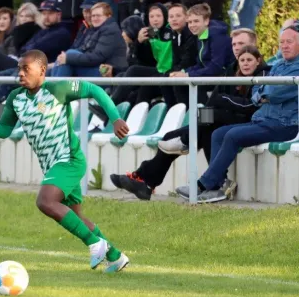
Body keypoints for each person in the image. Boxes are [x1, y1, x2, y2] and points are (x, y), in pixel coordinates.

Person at [0, 49, 131, 272]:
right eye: (19, 69)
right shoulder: (16, 98)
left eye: (27, 69)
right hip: (52, 165)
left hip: (69, 160)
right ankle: (115, 257)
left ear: (42, 70)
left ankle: (95, 244)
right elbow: (5, 129)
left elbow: (94, 89)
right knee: (76, 217)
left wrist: (116, 118)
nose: (21, 74)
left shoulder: (57, 89)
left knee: (45, 202)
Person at [111, 45, 269, 200]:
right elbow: (212, 100)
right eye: (242, 59)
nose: (245, 63)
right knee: (172, 135)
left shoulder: (264, 75)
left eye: (249, 59)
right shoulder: (231, 71)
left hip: (247, 122)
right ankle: (145, 181)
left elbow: (250, 106)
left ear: (258, 60)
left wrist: (224, 100)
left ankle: (148, 176)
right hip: (221, 120)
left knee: (210, 120)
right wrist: (222, 103)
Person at [176, 23, 299, 203]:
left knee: (224, 128)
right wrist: (263, 93)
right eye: (282, 42)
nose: (284, 45)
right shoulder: (271, 65)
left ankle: (201, 183)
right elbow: (258, 90)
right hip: (258, 119)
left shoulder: (289, 67)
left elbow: (268, 93)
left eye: (290, 41)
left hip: (280, 123)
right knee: (214, 128)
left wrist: (263, 93)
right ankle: (213, 180)